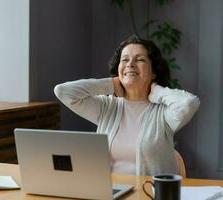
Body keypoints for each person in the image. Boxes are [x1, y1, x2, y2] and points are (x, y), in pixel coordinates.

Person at [54, 35, 200, 176]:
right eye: (125, 60)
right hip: (111, 193)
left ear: (154, 71)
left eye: (140, 59)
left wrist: (156, 91)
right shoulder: (106, 106)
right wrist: (110, 85)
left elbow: (189, 103)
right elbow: (63, 92)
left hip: (148, 193)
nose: (130, 64)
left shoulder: (163, 113)